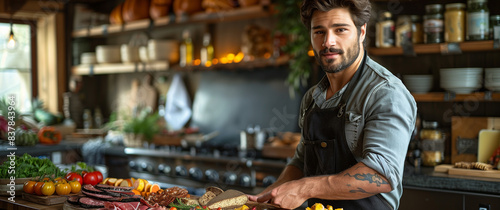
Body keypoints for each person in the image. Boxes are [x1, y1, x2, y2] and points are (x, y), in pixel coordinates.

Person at [248, 0, 417, 209]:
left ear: (361, 32)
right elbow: (301, 162)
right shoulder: (312, 97)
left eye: (340, 30)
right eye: (319, 32)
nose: (328, 42)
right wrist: (265, 198)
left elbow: (381, 174)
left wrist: (304, 189)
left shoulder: (385, 93)